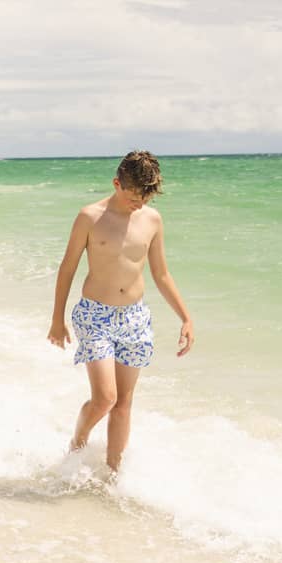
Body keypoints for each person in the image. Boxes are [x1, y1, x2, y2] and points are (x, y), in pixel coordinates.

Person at [47, 150, 194, 472]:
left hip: (134, 319)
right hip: (94, 316)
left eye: (145, 196)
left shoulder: (152, 220)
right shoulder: (90, 217)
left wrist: (185, 317)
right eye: (133, 195)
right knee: (105, 398)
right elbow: (67, 269)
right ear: (116, 183)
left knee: (124, 404)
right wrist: (57, 320)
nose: (139, 203)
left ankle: (114, 476)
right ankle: (78, 442)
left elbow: (161, 274)